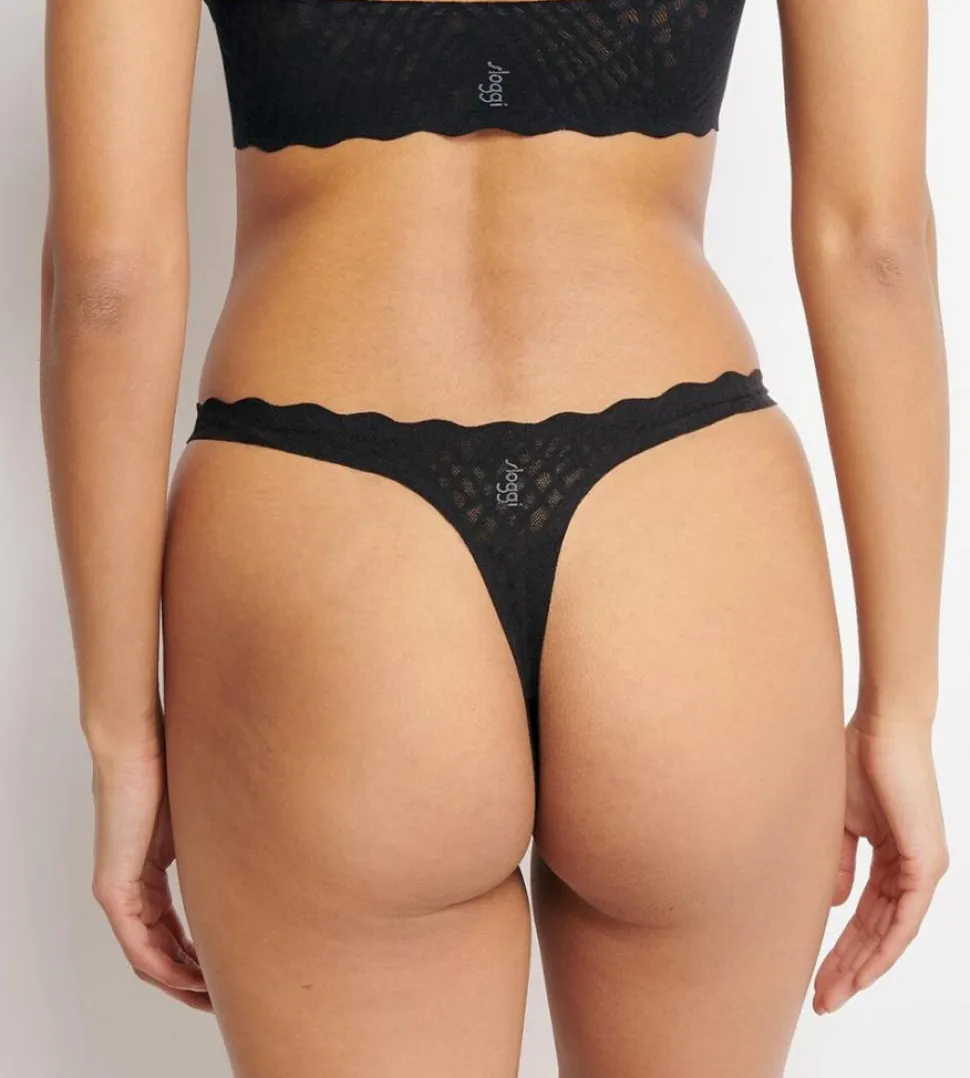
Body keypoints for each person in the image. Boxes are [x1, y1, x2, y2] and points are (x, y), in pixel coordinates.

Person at [40, 1, 949, 1075]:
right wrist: (899, 711)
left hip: (330, 549)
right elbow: (875, 245)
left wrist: (122, 737)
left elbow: (108, 280)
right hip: (683, 542)